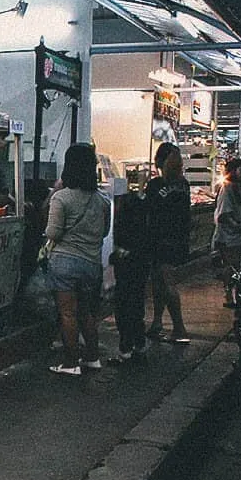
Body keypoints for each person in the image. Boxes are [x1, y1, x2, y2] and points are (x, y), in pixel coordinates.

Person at [44, 143, 111, 376]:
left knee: (68, 313)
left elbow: (52, 233)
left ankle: (71, 363)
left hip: (65, 263)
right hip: (91, 263)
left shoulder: (61, 198)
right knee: (86, 312)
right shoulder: (103, 200)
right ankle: (92, 358)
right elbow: (104, 232)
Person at [145, 142, 191, 344]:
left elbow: (148, 211)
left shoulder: (155, 185)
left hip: (158, 239)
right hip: (178, 238)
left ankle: (179, 327)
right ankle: (157, 323)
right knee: (160, 281)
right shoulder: (183, 185)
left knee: (165, 282)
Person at [107, 186, 152, 365]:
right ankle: (139, 346)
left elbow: (118, 253)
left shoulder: (122, 229)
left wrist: (114, 256)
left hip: (125, 273)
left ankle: (125, 349)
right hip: (140, 269)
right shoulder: (143, 231)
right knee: (137, 308)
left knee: (124, 309)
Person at [212, 157, 241, 306]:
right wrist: (237, 225)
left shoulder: (239, 189)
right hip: (228, 236)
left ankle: (238, 294)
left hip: (239, 235)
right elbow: (223, 215)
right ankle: (228, 294)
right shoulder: (227, 188)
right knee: (231, 266)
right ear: (233, 171)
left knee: (238, 266)